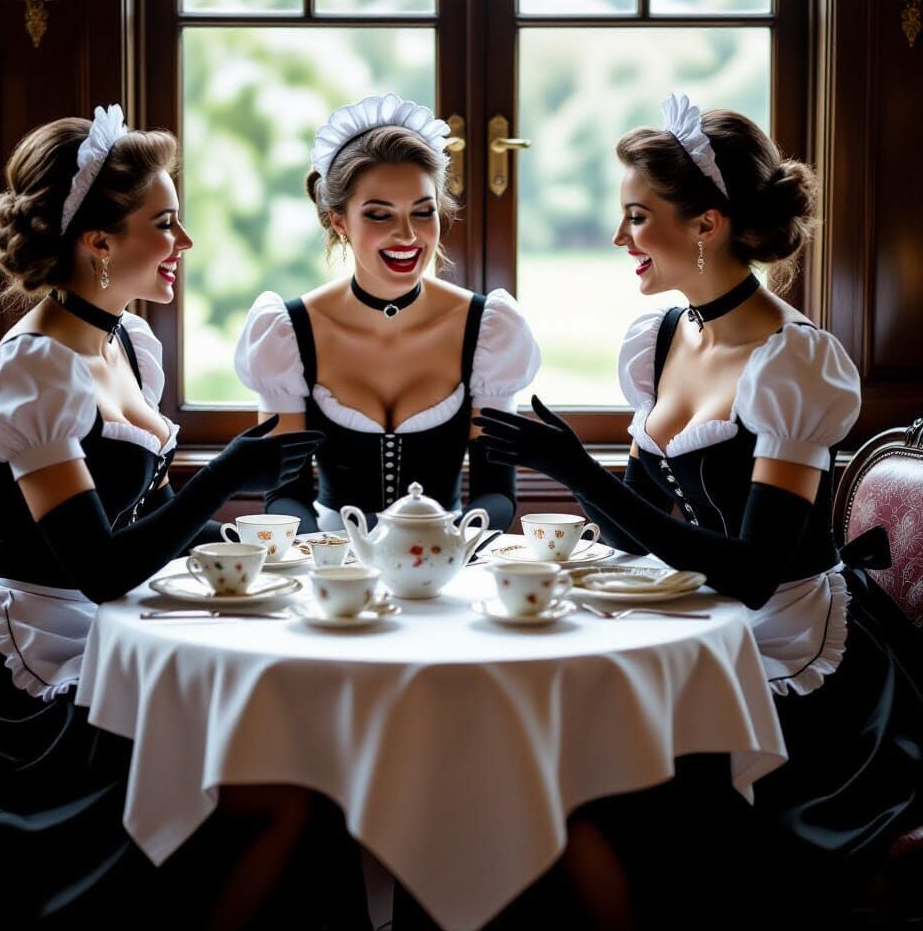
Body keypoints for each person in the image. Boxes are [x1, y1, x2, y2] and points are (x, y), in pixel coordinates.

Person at [474, 93, 923, 921]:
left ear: (707, 225)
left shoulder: (794, 363)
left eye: (638, 217)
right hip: (705, 638)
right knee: (537, 764)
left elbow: (752, 573)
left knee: (588, 794)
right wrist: (577, 477)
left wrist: (575, 466)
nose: (621, 239)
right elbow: (644, 535)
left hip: (797, 662)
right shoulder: (660, 341)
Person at [0, 107, 337, 929]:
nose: (185, 243)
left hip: (108, 638)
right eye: (165, 223)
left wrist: (278, 553)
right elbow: (97, 567)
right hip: (24, 679)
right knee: (285, 800)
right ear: (98, 242)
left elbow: (152, 522)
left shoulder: (128, 344)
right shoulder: (39, 369)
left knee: (307, 760)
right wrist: (230, 474)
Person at [234, 93, 541, 535]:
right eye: (379, 215)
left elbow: (497, 491)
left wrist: (452, 544)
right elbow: (286, 495)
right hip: (330, 559)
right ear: (339, 221)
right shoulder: (287, 332)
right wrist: (328, 553)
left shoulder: (488, 329)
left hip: (449, 555)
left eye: (423, 211)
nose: (408, 235)